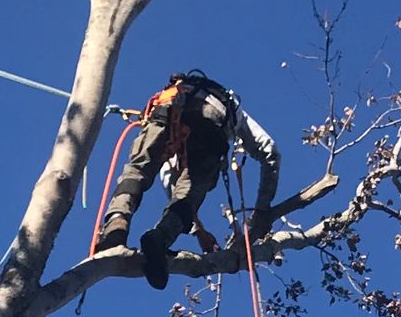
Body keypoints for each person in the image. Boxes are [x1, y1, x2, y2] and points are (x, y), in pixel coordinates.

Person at [95, 71, 279, 286]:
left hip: (167, 108)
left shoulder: (182, 91)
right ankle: (161, 238)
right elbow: (271, 152)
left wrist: (199, 231)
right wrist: (262, 209)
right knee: (189, 194)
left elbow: (168, 180)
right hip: (212, 125)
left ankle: (116, 223)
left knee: (138, 170)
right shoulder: (235, 109)